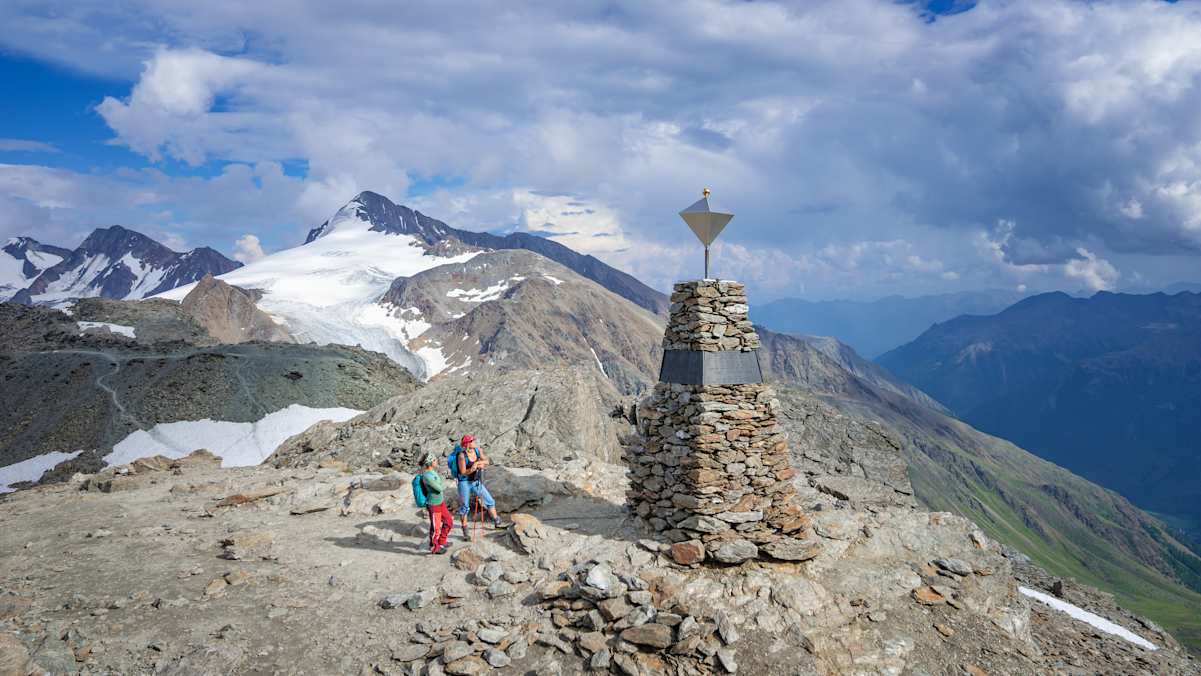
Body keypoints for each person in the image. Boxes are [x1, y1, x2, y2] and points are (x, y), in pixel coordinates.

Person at [454, 434, 504, 539]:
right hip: (464, 482)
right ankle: (465, 531)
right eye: (472, 440)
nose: (475, 441)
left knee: (489, 500)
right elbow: (463, 472)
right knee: (464, 507)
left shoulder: (477, 450)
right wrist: (472, 468)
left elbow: (487, 461)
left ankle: (497, 522)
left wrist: (479, 463)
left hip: (475, 481)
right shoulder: (462, 456)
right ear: (468, 444)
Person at [418, 451, 452, 555]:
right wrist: (440, 483)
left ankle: (442, 541)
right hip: (433, 505)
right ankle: (434, 547)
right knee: (436, 527)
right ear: (430, 462)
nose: (437, 461)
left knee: (449, 522)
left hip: (440, 503)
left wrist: (440, 482)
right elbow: (439, 488)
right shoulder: (427, 476)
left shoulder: (433, 473)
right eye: (435, 460)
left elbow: (440, 485)